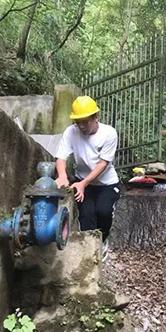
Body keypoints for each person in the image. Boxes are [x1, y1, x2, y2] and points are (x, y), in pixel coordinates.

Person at [54, 96, 121, 262]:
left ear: (95, 117)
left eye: (85, 122)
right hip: (82, 181)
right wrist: (62, 175)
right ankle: (89, 254)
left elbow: (103, 164)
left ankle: (103, 240)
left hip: (106, 183)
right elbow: (61, 157)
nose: (81, 126)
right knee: (86, 216)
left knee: (103, 212)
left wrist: (84, 183)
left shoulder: (109, 133)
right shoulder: (71, 132)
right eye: (78, 122)